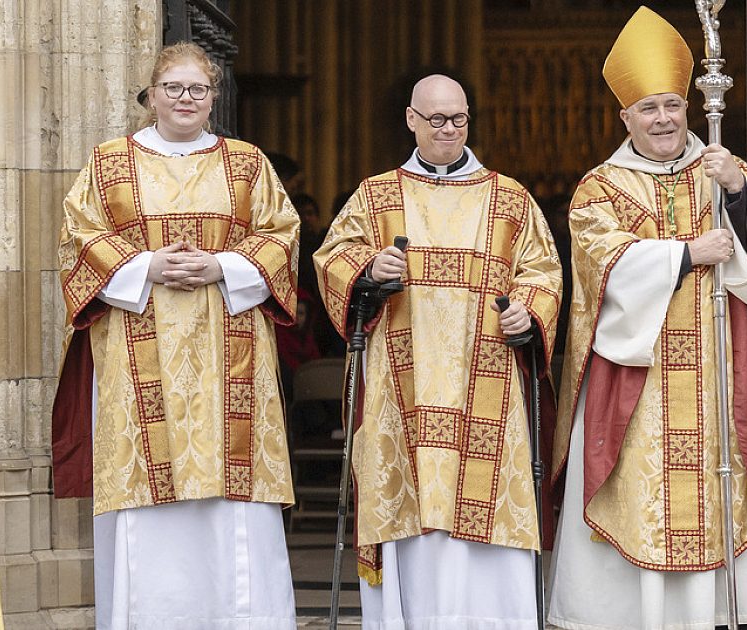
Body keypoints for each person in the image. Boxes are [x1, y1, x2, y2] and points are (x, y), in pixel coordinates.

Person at [546, 7, 747, 629]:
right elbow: (600, 259)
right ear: (625, 117)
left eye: (671, 106)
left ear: (689, 109)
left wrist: (738, 193)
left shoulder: (721, 171)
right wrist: (688, 254)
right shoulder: (599, 188)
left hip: (717, 385)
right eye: (648, 109)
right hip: (638, 393)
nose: (662, 119)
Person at [53, 42, 299, 628]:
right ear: (151, 96)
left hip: (230, 348)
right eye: (173, 88)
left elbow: (284, 234)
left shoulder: (246, 164)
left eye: (198, 89)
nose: (185, 99)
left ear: (214, 97)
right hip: (138, 351)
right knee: (147, 498)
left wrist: (222, 268)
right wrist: (146, 268)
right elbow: (76, 239)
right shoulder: (110, 163)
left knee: (232, 502)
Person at [313, 73, 562, 628]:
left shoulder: (509, 197)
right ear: (411, 120)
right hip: (404, 391)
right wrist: (368, 269)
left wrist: (528, 311)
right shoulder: (376, 195)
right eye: (437, 120)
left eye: (459, 119)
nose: (450, 130)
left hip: (488, 390)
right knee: (414, 522)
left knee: (486, 531)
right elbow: (333, 258)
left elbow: (543, 272)